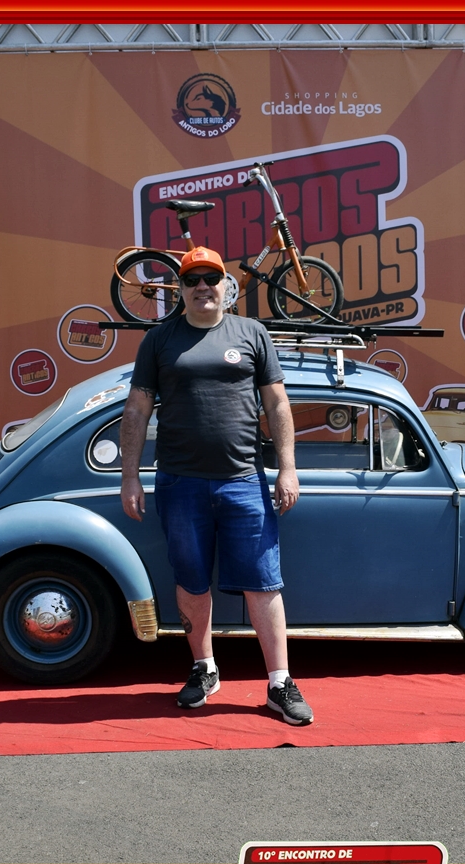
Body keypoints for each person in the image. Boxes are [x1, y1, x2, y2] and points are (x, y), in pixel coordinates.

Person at [118, 246, 313, 725]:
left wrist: (288, 468)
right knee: (191, 580)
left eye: (211, 278)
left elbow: (278, 404)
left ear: (227, 285)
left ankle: (280, 683)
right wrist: (130, 476)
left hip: (244, 480)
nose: (202, 287)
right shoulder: (159, 340)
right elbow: (137, 410)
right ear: (180, 289)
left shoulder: (252, 333)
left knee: (264, 583)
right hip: (179, 483)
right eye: (192, 279)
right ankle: (204, 668)